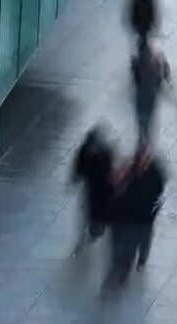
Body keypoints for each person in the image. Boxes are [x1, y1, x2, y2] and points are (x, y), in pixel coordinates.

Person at [107, 145, 167, 286]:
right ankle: (122, 271)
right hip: (128, 217)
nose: (143, 162)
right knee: (127, 247)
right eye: (142, 159)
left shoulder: (155, 173)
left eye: (146, 159)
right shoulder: (130, 173)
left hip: (144, 218)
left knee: (142, 240)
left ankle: (141, 258)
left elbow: (159, 189)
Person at [71, 126, 116, 244]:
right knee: (97, 203)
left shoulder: (85, 149)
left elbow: (79, 164)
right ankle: (97, 225)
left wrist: (76, 176)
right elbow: (110, 165)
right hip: (99, 182)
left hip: (93, 182)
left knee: (92, 203)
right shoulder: (104, 150)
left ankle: (95, 224)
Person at [131, 44, 170, 145]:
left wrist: (164, 79)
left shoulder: (156, 62)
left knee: (147, 118)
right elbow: (136, 78)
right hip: (142, 96)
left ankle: (145, 136)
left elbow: (164, 73)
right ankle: (143, 136)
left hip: (150, 97)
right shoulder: (138, 63)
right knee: (142, 119)